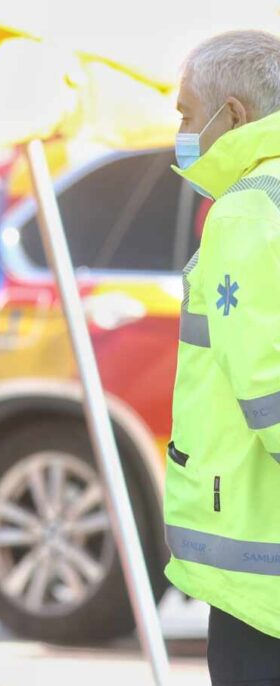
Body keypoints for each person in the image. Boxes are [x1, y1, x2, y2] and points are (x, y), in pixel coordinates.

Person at [166, 30, 280, 686]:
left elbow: (265, 383)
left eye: (186, 113)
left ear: (232, 115)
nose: (181, 130)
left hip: (256, 564)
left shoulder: (245, 212)